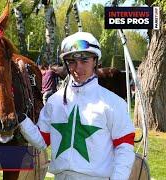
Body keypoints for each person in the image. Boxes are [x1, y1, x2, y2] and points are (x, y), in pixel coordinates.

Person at [18, 32, 135, 180]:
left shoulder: (114, 103)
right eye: (72, 61)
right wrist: (21, 118)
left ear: (95, 61)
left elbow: (124, 148)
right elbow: (42, 141)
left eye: (84, 60)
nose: (78, 68)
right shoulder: (54, 101)